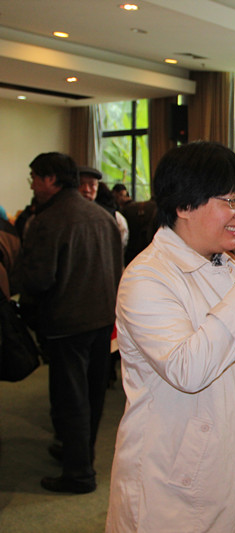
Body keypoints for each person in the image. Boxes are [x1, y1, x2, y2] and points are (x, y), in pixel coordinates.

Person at [106, 142, 235, 532]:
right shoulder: (147, 277)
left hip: (233, 448)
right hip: (176, 469)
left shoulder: (225, 265)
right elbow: (187, 369)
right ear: (183, 205)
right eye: (230, 201)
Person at [16, 152, 123, 494]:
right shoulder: (103, 216)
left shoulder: (48, 220)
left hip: (66, 321)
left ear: (50, 179)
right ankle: (79, 453)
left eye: (35, 178)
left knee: (70, 397)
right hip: (102, 319)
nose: (32, 185)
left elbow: (38, 280)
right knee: (92, 394)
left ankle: (78, 473)